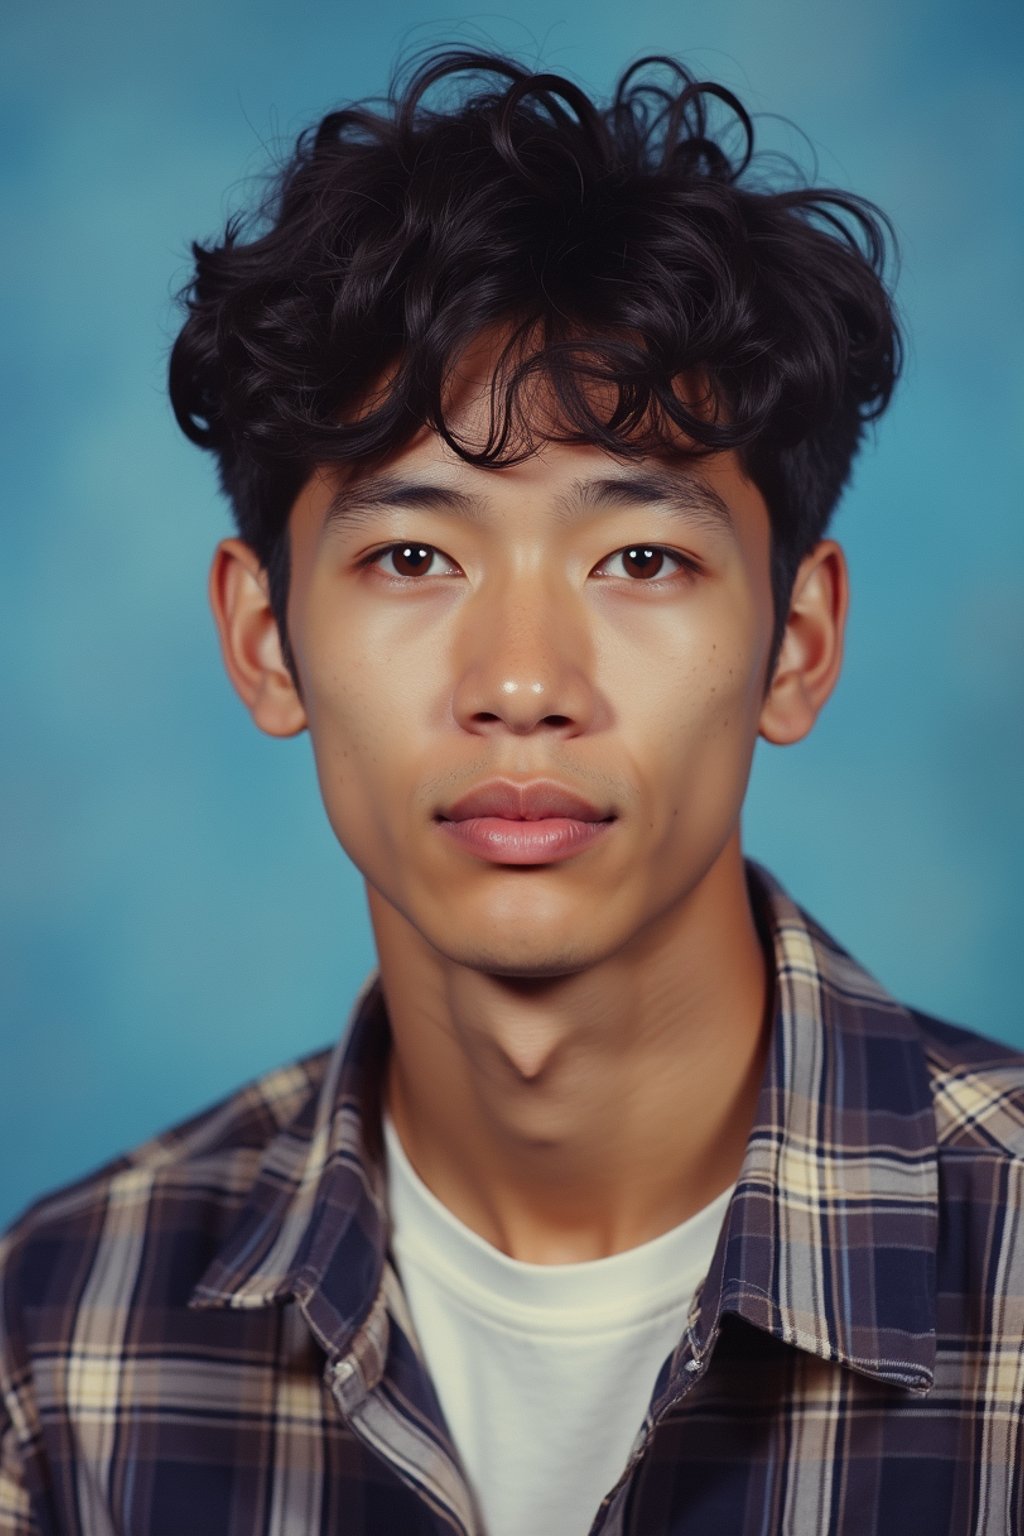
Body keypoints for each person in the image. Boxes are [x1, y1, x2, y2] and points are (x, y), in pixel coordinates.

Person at [1, 46, 1021, 1536]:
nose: (524, 679)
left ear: (796, 647)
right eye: (413, 557)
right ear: (264, 639)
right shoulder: (62, 1344)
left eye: (642, 559)